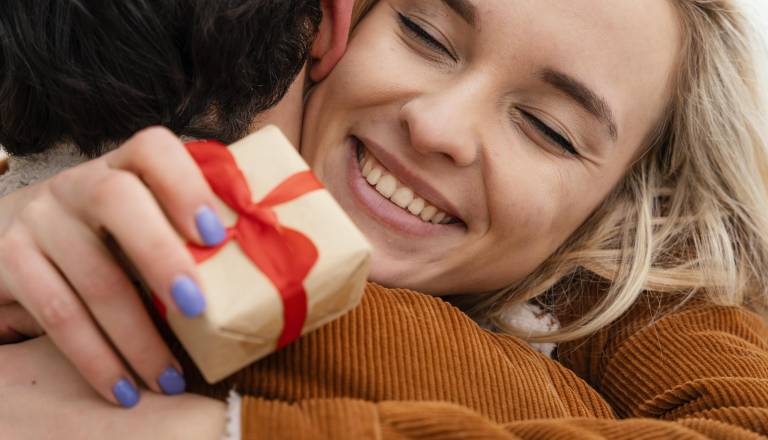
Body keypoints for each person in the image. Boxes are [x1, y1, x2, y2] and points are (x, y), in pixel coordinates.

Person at [2, 0, 768, 438]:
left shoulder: (634, 306)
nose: (439, 126)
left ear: (619, 218)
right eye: (424, 35)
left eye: (550, 129)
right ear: (341, 24)